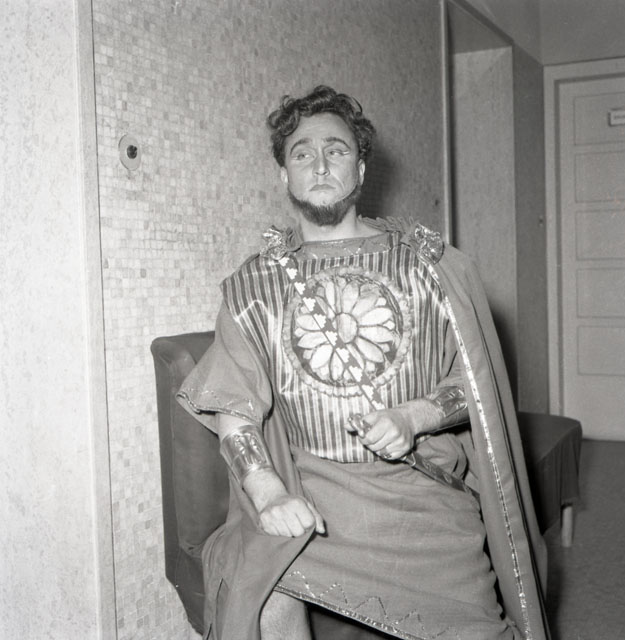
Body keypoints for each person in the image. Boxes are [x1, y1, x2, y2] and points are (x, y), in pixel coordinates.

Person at [177, 85, 549, 640]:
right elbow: (234, 411)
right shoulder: (253, 286)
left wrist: (414, 417)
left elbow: (478, 384)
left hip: (422, 501)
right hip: (312, 492)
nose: (320, 164)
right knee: (264, 596)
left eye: (337, 150)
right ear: (283, 174)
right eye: (302, 153)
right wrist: (269, 495)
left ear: (362, 167)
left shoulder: (432, 267)